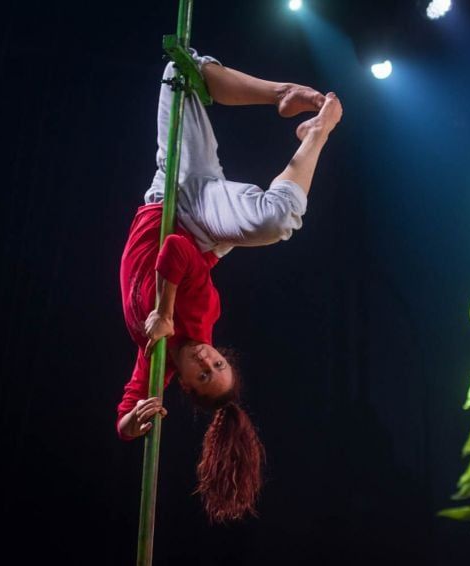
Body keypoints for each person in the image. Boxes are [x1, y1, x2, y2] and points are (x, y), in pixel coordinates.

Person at [115, 49, 342, 523]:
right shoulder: (199, 315)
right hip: (199, 223)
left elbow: (127, 411)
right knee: (276, 220)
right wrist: (165, 310)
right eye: (218, 364)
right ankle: (313, 128)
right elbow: (176, 249)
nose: (205, 359)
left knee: (179, 71)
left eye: (203, 374)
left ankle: (278, 95)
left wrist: (131, 425)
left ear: (183, 384)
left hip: (168, 190)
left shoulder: (156, 357)